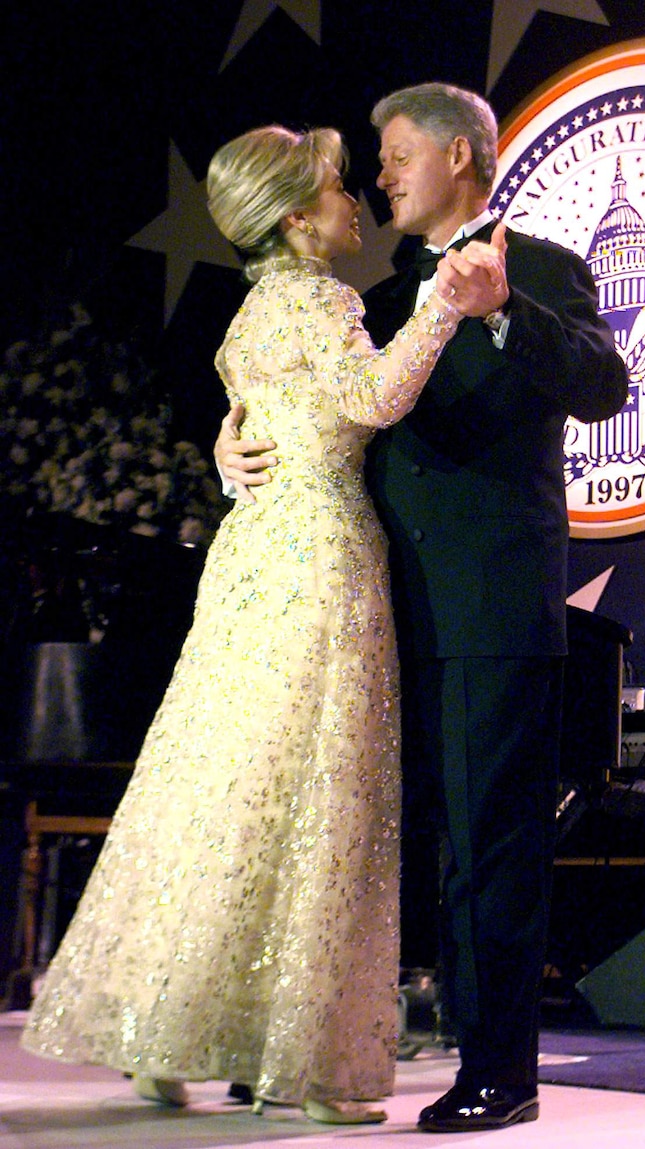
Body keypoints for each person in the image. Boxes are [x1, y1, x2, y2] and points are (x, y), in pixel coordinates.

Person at [20, 122, 473, 1125]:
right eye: (341, 188)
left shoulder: (243, 320)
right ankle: (314, 1066)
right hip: (318, 554)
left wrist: (231, 465)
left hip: (247, 558)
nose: (357, 203)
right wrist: (441, 305)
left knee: (224, 788)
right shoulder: (322, 298)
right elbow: (379, 393)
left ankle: (162, 1031)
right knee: (321, 791)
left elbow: (277, 425)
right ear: (301, 216)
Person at [216, 83, 629, 1133]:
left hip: (488, 609)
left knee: (487, 845)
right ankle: (291, 1046)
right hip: (371, 610)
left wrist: (501, 308)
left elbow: (603, 383)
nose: (380, 177)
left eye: (396, 156)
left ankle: (499, 1071)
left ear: (455, 155)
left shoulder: (536, 269)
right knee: (348, 838)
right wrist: (230, 445)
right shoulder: (380, 290)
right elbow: (324, 415)